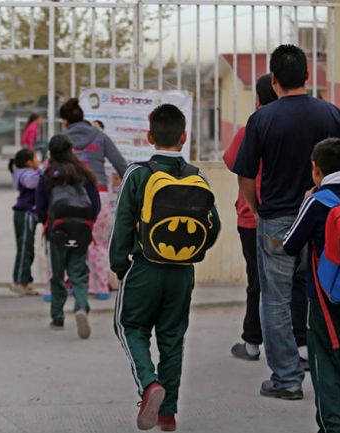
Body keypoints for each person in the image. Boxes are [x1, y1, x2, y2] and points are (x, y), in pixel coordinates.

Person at [231, 45, 340, 400]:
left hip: (278, 220)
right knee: (325, 293)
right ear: (307, 75)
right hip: (327, 220)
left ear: (273, 80)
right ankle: (327, 369)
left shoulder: (262, 120)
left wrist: (259, 209)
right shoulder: (332, 114)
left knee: (274, 299)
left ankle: (287, 379)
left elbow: (245, 177)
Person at [111, 104, 221, 432]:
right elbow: (213, 229)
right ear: (184, 137)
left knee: (130, 326)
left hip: (144, 267)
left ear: (149, 136)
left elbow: (122, 225)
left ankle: (149, 384)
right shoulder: (196, 177)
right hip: (182, 271)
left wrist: (119, 266)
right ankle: (167, 414)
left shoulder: (138, 174)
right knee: (173, 337)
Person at [282, 138, 340, 433]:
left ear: (315, 169)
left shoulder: (317, 201)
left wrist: (307, 200)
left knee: (323, 363)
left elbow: (290, 244)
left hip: (324, 297)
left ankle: (334, 426)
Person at [224, 74, 310, 365]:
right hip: (296, 214)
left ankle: (251, 342)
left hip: (253, 216)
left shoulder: (253, 124)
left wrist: (256, 206)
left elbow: (232, 161)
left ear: (258, 99)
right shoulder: (300, 123)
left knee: (258, 281)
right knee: (298, 279)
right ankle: (301, 345)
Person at [60, 98, 127, 301]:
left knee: (70, 242)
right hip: (99, 196)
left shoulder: (60, 140)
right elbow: (121, 166)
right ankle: (100, 288)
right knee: (99, 243)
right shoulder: (100, 136)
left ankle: (73, 284)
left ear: (64, 122)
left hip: (69, 197)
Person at [35, 134, 100, 339]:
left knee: (57, 274)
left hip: (58, 230)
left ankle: (57, 317)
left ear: (51, 153)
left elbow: (40, 207)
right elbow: (95, 205)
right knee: (78, 273)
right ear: (71, 151)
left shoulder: (48, 175)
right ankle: (81, 307)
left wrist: (46, 221)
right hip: (81, 229)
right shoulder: (84, 174)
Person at [9, 148, 41, 296]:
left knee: (26, 248)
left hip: (26, 214)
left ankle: (24, 280)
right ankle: (20, 282)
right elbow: (32, 182)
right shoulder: (25, 174)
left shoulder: (23, 172)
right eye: (36, 158)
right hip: (26, 213)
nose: (38, 162)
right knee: (25, 248)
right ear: (29, 162)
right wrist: (45, 170)